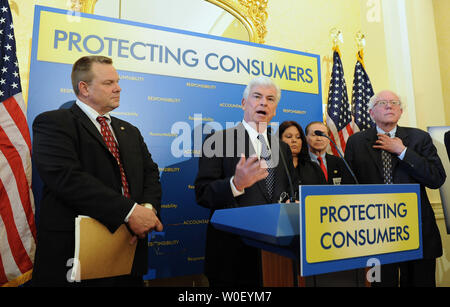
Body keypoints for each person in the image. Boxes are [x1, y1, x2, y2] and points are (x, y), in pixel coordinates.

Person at [31, 56, 163, 286]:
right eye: (108, 83)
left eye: (117, 81)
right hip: (74, 260)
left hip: (128, 254)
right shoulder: (53, 122)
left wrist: (147, 210)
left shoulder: (129, 131)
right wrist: (131, 212)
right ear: (84, 88)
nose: (118, 88)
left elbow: (150, 174)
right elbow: (66, 178)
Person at [194, 76, 297, 286]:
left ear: (275, 109)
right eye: (257, 96)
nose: (263, 103)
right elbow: (203, 193)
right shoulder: (217, 141)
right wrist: (236, 184)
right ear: (243, 103)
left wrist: (293, 204)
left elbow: (291, 189)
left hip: (277, 253)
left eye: (270, 99)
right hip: (233, 254)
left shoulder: (282, 148)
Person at [344, 90, 446, 287]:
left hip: (418, 231)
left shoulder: (419, 138)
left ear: (400, 111)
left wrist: (403, 152)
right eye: (382, 102)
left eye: (394, 102)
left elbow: (436, 178)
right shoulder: (356, 142)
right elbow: (349, 187)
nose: (389, 106)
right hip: (375, 235)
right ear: (372, 113)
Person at [278, 120, 326, 187]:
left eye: (298, 137)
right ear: (279, 140)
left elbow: (324, 193)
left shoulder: (314, 168)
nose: (294, 140)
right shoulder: (272, 169)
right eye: (289, 136)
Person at [305, 121, 349, 185]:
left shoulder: (340, 162)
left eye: (323, 135)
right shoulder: (300, 162)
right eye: (314, 135)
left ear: (329, 139)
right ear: (306, 138)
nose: (319, 138)